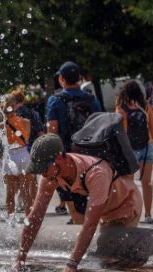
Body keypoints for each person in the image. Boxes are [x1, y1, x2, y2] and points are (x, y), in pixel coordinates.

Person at [12, 134, 142, 272]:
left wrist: (72, 264)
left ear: (59, 159)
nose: (42, 174)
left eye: (43, 169)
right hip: (105, 209)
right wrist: (20, 258)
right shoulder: (51, 174)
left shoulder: (96, 173)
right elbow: (35, 216)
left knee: (116, 258)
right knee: (104, 257)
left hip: (124, 207)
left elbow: (90, 224)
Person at [45, 61, 103, 223]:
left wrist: (53, 164)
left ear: (62, 79)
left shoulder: (55, 100)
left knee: (76, 212)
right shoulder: (92, 100)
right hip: (91, 160)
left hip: (67, 161)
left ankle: (82, 240)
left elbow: (52, 133)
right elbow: (100, 130)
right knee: (93, 208)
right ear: (79, 78)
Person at [116, 81, 153, 223]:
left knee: (129, 183)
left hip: (129, 150)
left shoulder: (121, 109)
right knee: (147, 184)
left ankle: (131, 212)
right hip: (148, 147)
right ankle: (148, 214)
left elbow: (120, 132)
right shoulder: (146, 107)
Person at [2, 90, 37, 218]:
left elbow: (0, 141)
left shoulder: (1, 126)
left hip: (10, 156)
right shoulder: (25, 122)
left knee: (10, 193)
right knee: (26, 192)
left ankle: (11, 222)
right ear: (15, 106)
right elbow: (26, 139)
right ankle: (29, 221)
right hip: (23, 155)